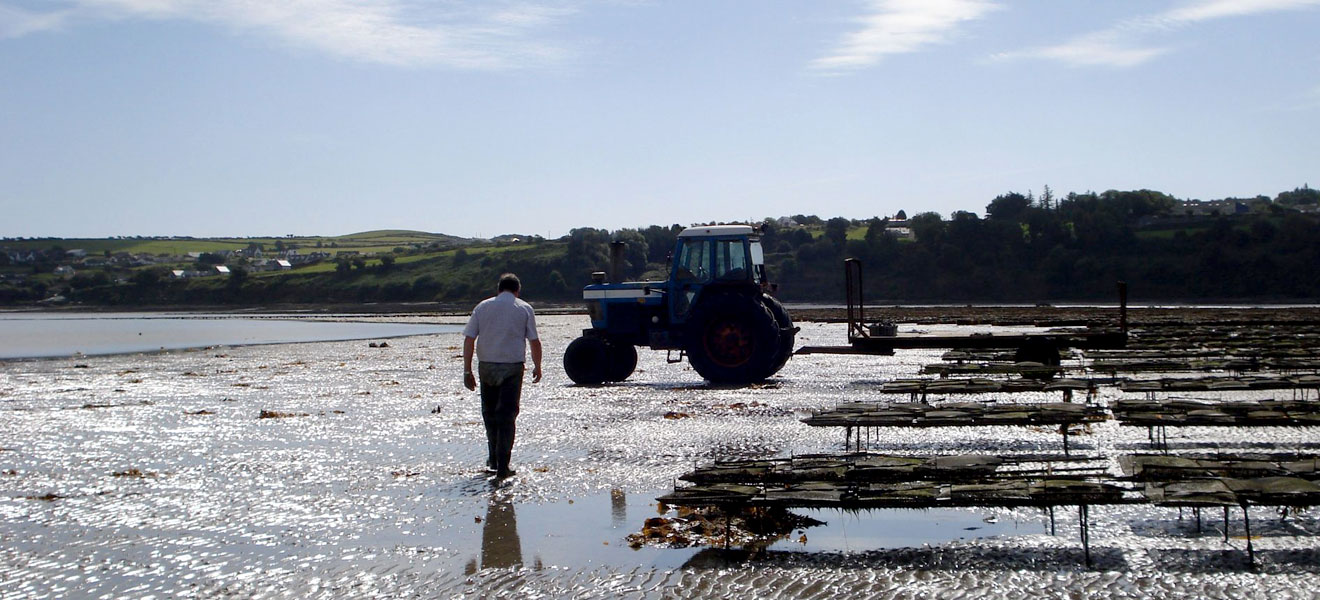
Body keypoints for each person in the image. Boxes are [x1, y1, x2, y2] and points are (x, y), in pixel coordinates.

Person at [462, 273, 542, 479]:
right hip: (512, 367)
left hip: (486, 365)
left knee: (489, 414)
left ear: (499, 289)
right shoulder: (524, 308)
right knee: (507, 415)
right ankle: (503, 465)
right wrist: (537, 366)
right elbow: (534, 341)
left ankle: (494, 459)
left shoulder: (482, 307)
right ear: (517, 290)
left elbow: (469, 339)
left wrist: (467, 370)